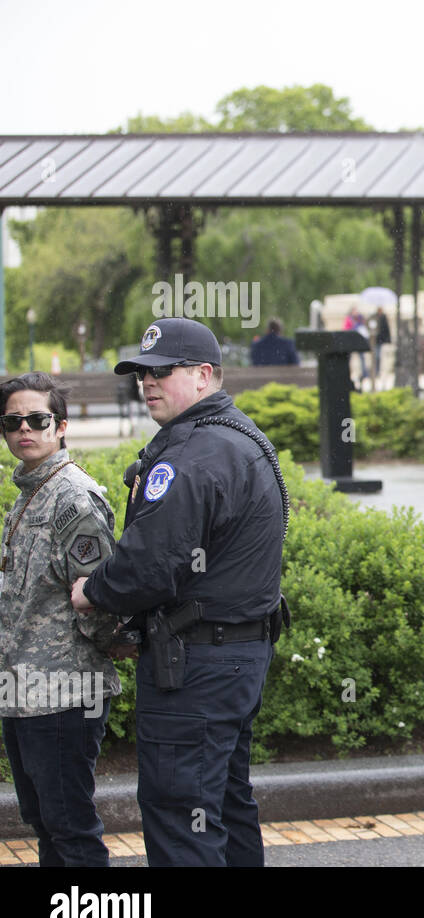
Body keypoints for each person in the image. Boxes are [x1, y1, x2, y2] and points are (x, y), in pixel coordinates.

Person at [70, 317, 289, 867]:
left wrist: (92, 591)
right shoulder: (238, 437)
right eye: (141, 373)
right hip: (235, 655)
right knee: (224, 803)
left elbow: (147, 567)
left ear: (204, 374)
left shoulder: (192, 454)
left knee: (180, 813)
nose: (148, 382)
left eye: (163, 371)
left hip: (197, 665)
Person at [0, 373, 122, 866]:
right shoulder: (29, 494)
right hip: (22, 691)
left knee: (70, 828)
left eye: (37, 419)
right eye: (12, 421)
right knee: (46, 824)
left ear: (62, 426)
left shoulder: (72, 498)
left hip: (64, 694)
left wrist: (109, 643)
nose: (24, 429)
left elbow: (101, 598)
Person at [371, 308, 392, 385]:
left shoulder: (383, 317)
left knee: (378, 356)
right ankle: (375, 371)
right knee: (376, 356)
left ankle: (377, 371)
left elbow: (386, 329)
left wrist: (388, 340)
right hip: (375, 340)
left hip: (380, 340)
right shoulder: (374, 317)